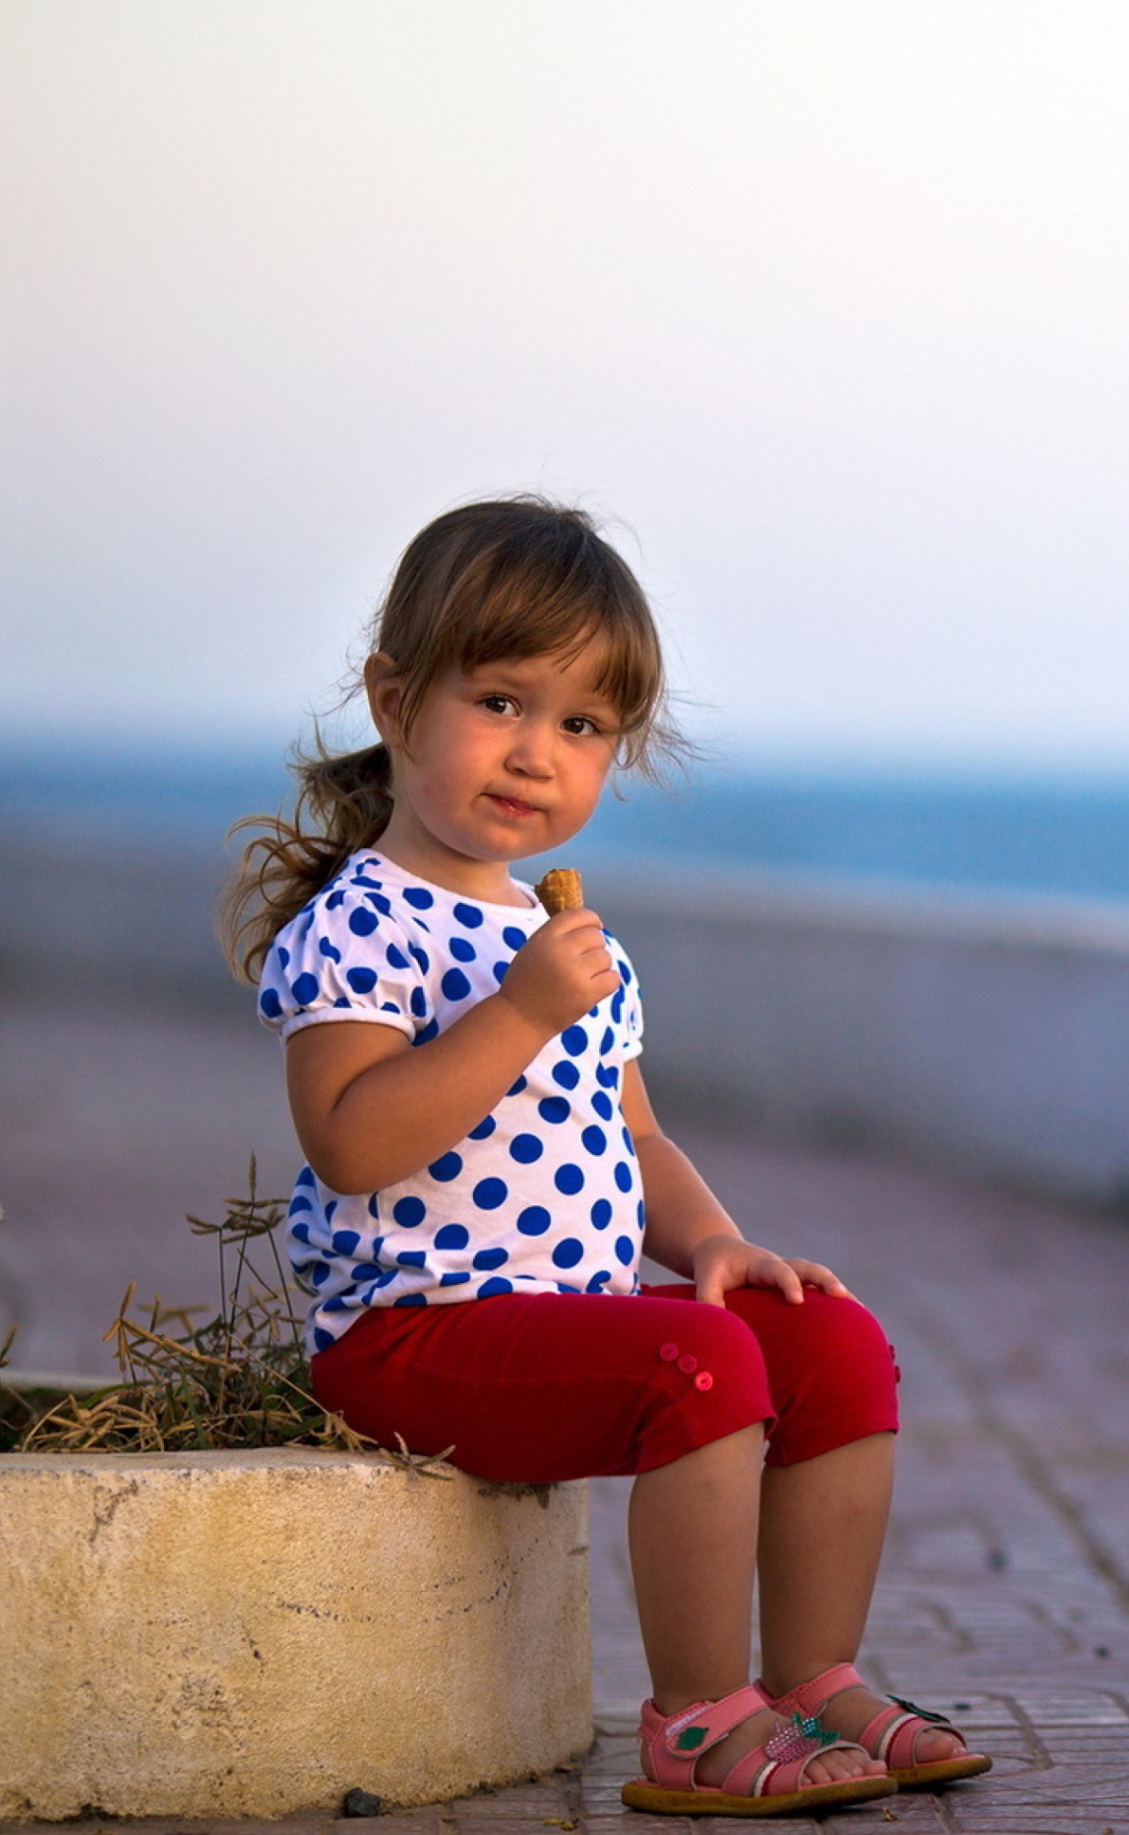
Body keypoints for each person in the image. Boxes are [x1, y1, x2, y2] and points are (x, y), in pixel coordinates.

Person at [224, 498, 984, 1816]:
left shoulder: (574, 946)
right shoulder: (366, 925)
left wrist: (714, 1245)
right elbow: (349, 1144)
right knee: (699, 1361)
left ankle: (811, 1678)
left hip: (566, 1319)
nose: (536, 753)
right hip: (413, 1336)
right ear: (396, 702)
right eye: (503, 701)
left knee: (823, 1339)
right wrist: (519, 1012)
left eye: (580, 726)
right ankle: (695, 1721)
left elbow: (632, 1135)